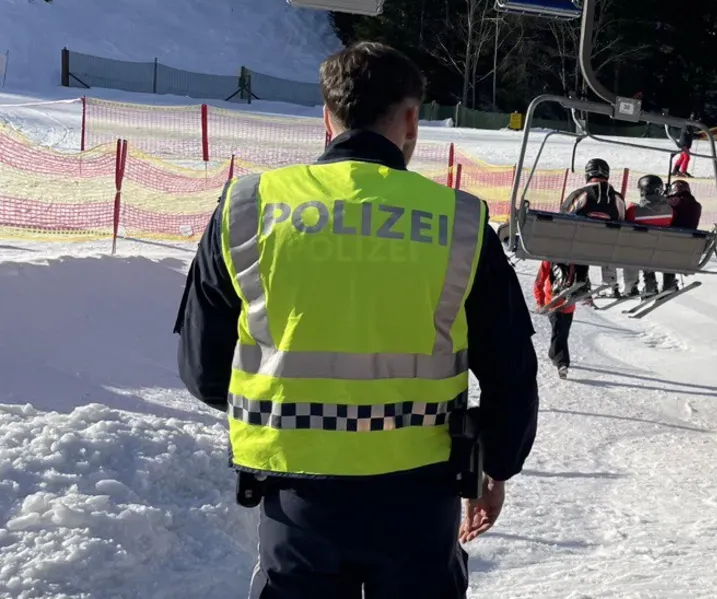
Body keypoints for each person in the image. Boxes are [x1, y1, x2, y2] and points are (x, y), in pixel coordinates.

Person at [174, 42, 539, 599]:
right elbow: (511, 366)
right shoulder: (459, 222)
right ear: (411, 117)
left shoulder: (247, 206)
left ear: (327, 116)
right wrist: (500, 463)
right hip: (420, 497)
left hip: (292, 494)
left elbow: (203, 372)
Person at [561, 157, 626, 297]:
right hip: (608, 248)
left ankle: (579, 279)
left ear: (588, 174)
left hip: (580, 247)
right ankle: (611, 283)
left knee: (576, 237)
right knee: (613, 237)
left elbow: (563, 217)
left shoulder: (580, 194)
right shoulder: (617, 198)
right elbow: (623, 220)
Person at [621, 174, 673, 297]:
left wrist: (631, 207)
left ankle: (633, 285)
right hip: (661, 252)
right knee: (648, 248)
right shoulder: (670, 211)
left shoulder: (634, 211)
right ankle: (654, 283)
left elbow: (627, 220)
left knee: (634, 249)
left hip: (638, 252)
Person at [533, 260, 575, 379]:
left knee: (562, 333)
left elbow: (583, 279)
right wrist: (540, 302)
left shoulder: (576, 260)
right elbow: (539, 281)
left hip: (569, 305)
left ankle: (553, 354)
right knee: (559, 333)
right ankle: (562, 363)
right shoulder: (549, 259)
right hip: (553, 304)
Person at [663, 179, 703, 293]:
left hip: (668, 245)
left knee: (665, 249)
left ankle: (661, 283)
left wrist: (665, 196)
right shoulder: (696, 206)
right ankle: (669, 282)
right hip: (687, 248)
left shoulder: (672, 202)